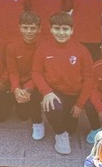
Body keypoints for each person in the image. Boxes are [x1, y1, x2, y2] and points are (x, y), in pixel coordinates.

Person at [32, 11, 93, 155]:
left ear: (72, 30)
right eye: (57, 29)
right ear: (51, 29)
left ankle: (65, 125)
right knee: (53, 106)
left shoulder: (81, 50)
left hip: (74, 94)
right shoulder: (44, 47)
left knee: (72, 129)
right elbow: (36, 72)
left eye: (65, 29)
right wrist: (46, 92)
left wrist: (79, 104)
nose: (61, 33)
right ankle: (60, 135)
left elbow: (89, 78)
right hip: (55, 92)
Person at [5, 11, 45, 141]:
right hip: (20, 82)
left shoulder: (44, 46)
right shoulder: (12, 46)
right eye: (25, 28)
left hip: (38, 81)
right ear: (19, 27)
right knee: (22, 116)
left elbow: (41, 71)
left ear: (39, 29)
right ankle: (16, 99)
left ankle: (38, 122)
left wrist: (28, 88)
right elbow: (12, 71)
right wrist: (16, 88)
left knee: (33, 97)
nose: (29, 31)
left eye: (33, 28)